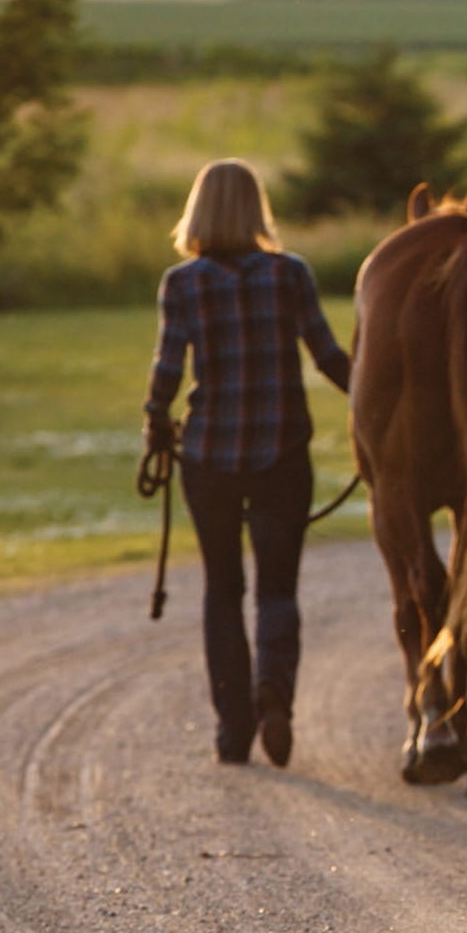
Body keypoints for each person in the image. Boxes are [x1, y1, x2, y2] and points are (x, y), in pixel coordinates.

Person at [143, 158, 350, 768]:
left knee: (222, 589)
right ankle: (273, 696)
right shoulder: (291, 274)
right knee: (277, 588)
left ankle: (234, 731)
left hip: (208, 454)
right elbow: (327, 355)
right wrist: (373, 403)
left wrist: (156, 418)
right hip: (282, 450)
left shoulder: (181, 283)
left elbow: (167, 369)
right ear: (257, 208)